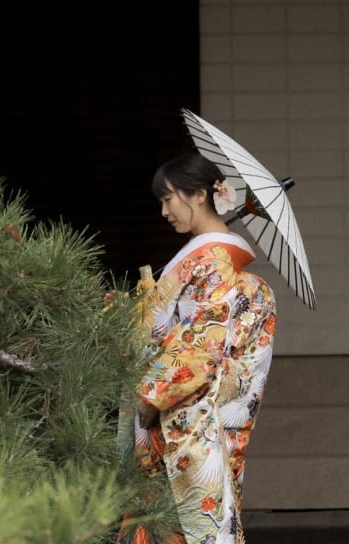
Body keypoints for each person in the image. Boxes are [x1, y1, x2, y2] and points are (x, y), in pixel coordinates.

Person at [118, 152, 277, 544]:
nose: (164, 211)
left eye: (168, 198)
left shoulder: (213, 262)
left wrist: (151, 394)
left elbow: (199, 344)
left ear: (200, 195)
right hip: (182, 426)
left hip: (183, 426)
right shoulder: (208, 262)